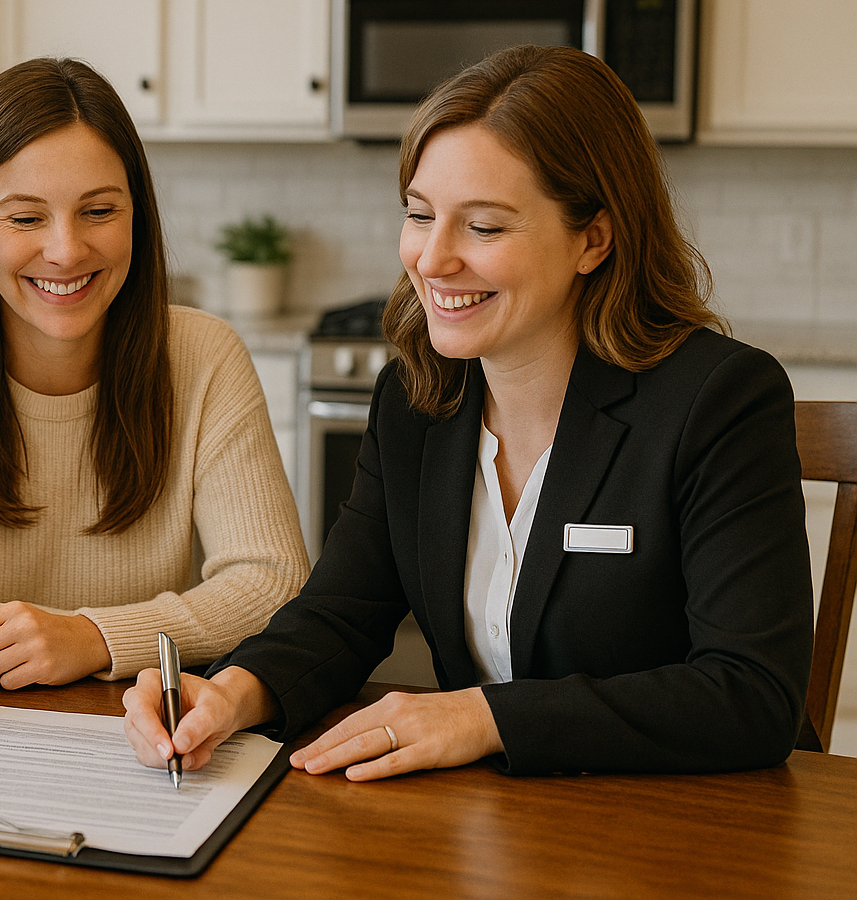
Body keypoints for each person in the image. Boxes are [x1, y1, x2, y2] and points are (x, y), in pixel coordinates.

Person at [124, 44, 814, 779]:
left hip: (691, 832)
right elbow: (341, 611)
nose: (432, 258)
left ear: (594, 239)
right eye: (420, 215)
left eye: (483, 227)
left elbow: (752, 694)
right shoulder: (418, 399)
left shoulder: (719, 400)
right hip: (494, 827)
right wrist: (232, 691)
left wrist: (484, 716)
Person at [0, 57, 309, 688]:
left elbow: (273, 583)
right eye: (26, 217)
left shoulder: (204, 356)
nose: (64, 251)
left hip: (139, 729)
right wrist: (46, 643)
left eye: (99, 212)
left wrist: (89, 639)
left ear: (137, 213)